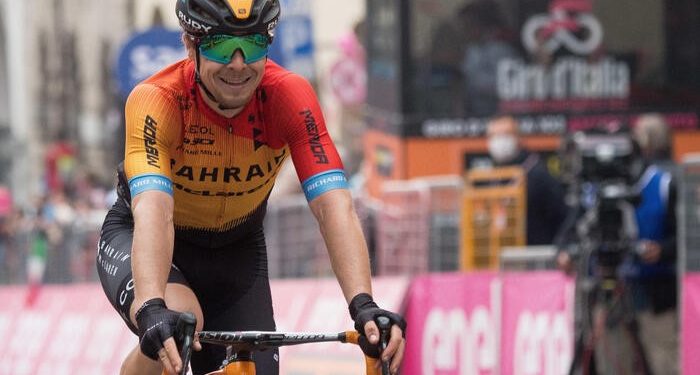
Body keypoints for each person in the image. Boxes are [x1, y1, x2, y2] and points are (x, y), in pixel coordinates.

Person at [95, 1, 406, 374]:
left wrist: (363, 304)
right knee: (177, 321)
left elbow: (333, 206)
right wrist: (150, 308)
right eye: (223, 47)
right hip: (146, 236)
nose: (239, 64)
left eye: (255, 45)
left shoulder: (289, 96)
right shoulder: (156, 100)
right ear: (189, 43)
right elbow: (155, 211)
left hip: (237, 252)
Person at [556, 115, 678, 374]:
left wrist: (663, 251)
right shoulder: (591, 189)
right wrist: (566, 252)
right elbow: (567, 232)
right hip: (606, 290)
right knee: (614, 362)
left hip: (654, 295)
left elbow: (687, 238)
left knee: (663, 362)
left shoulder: (664, 183)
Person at [486, 115, 568, 245]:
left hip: (536, 255)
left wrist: (562, 248)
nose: (499, 141)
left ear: (518, 138)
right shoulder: (492, 176)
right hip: (501, 255)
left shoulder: (538, 174)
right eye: (494, 136)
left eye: (505, 135)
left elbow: (562, 216)